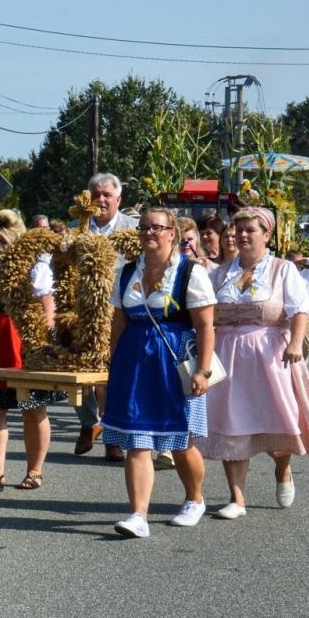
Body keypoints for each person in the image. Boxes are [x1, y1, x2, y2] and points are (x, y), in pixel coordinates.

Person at [202, 208, 309, 517]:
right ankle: (236, 499)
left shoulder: (282, 270)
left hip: (269, 354)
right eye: (238, 230)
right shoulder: (219, 274)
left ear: (266, 235)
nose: (242, 235)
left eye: (250, 230)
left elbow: (300, 310)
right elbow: (204, 314)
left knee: (277, 420)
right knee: (231, 423)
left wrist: (295, 343)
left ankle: (282, 470)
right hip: (227, 353)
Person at [102, 207, 216, 538]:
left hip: (174, 358)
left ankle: (195, 499)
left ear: (172, 234)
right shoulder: (126, 273)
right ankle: (138, 515)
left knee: (180, 440)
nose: (149, 233)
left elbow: (205, 325)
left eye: (157, 228)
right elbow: (118, 322)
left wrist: (203, 371)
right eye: (144, 228)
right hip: (134, 361)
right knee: (138, 439)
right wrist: (113, 364)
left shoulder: (189, 273)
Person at [0, 209, 65, 493]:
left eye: (3, 242)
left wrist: (41, 344)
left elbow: (48, 307)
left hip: (20, 340)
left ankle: (34, 470)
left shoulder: (35, 264)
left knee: (32, 407)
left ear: (16, 240)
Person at [76, 172, 138, 461]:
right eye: (96, 194)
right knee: (79, 374)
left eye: (106, 195)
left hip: (119, 312)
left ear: (118, 199)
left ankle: (112, 437)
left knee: (111, 376)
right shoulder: (77, 228)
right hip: (82, 312)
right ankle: (90, 422)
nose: (101, 200)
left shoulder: (134, 230)